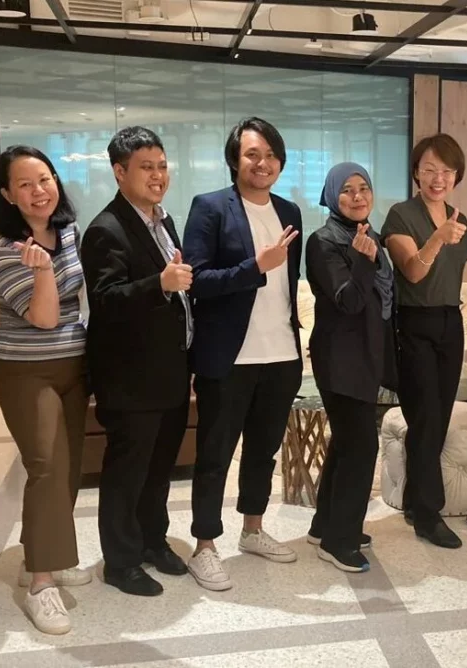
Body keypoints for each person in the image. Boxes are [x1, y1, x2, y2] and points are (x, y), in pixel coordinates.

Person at [182, 117, 302, 591]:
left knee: (263, 452)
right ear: (235, 160)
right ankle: (205, 546)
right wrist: (255, 267)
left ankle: (252, 529)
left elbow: (288, 288)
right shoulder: (210, 207)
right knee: (214, 455)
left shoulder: (289, 210)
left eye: (271, 154)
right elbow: (198, 282)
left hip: (281, 354)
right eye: (253, 154)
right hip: (229, 358)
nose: (263, 162)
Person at [81, 126, 191, 597]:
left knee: (159, 466)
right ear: (119, 172)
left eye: (162, 165)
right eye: (146, 167)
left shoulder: (163, 222)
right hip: (130, 376)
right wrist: (159, 285)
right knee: (127, 472)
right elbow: (105, 301)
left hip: (169, 370)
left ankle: (151, 540)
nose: (157, 175)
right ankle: (121, 561)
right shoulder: (106, 230)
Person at [0, 145, 90, 634]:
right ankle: (41, 584)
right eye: (24, 184)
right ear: (7, 194)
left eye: (44, 179)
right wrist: (43, 270)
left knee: (69, 468)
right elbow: (46, 317)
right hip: (27, 370)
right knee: (46, 465)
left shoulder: (66, 231)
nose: (38, 191)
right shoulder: (5, 250)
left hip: (75, 363)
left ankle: (40, 553)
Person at [304, 162, 396, 573]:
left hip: (366, 355)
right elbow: (349, 301)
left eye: (364, 188)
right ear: (331, 196)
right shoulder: (323, 241)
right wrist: (363, 261)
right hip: (340, 359)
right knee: (362, 446)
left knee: (345, 443)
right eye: (347, 190)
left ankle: (327, 525)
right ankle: (339, 542)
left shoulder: (369, 235)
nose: (357, 196)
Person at [381, 134, 467, 549]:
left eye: (447, 171)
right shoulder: (401, 215)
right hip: (413, 324)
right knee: (425, 418)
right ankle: (429, 513)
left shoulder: (460, 217)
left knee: (440, 416)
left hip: (450, 323)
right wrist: (437, 238)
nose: (439, 178)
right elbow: (414, 273)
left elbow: (460, 269)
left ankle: (417, 502)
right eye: (430, 169)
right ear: (416, 171)